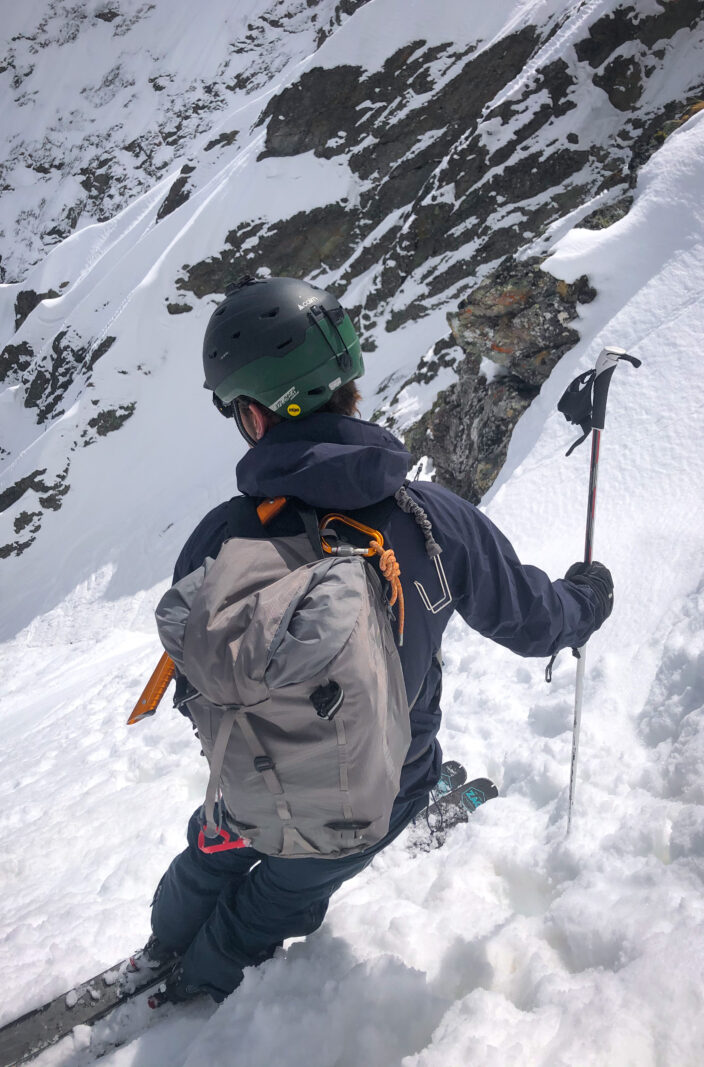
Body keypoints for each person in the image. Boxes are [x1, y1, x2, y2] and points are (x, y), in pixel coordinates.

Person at [143, 275, 613, 1003]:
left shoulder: (218, 542)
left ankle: (166, 941)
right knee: (286, 891)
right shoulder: (433, 521)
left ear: (257, 419)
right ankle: (204, 980)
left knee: (212, 849)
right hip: (373, 796)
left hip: (245, 782)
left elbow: (195, 677)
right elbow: (532, 619)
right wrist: (584, 599)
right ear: (347, 386)